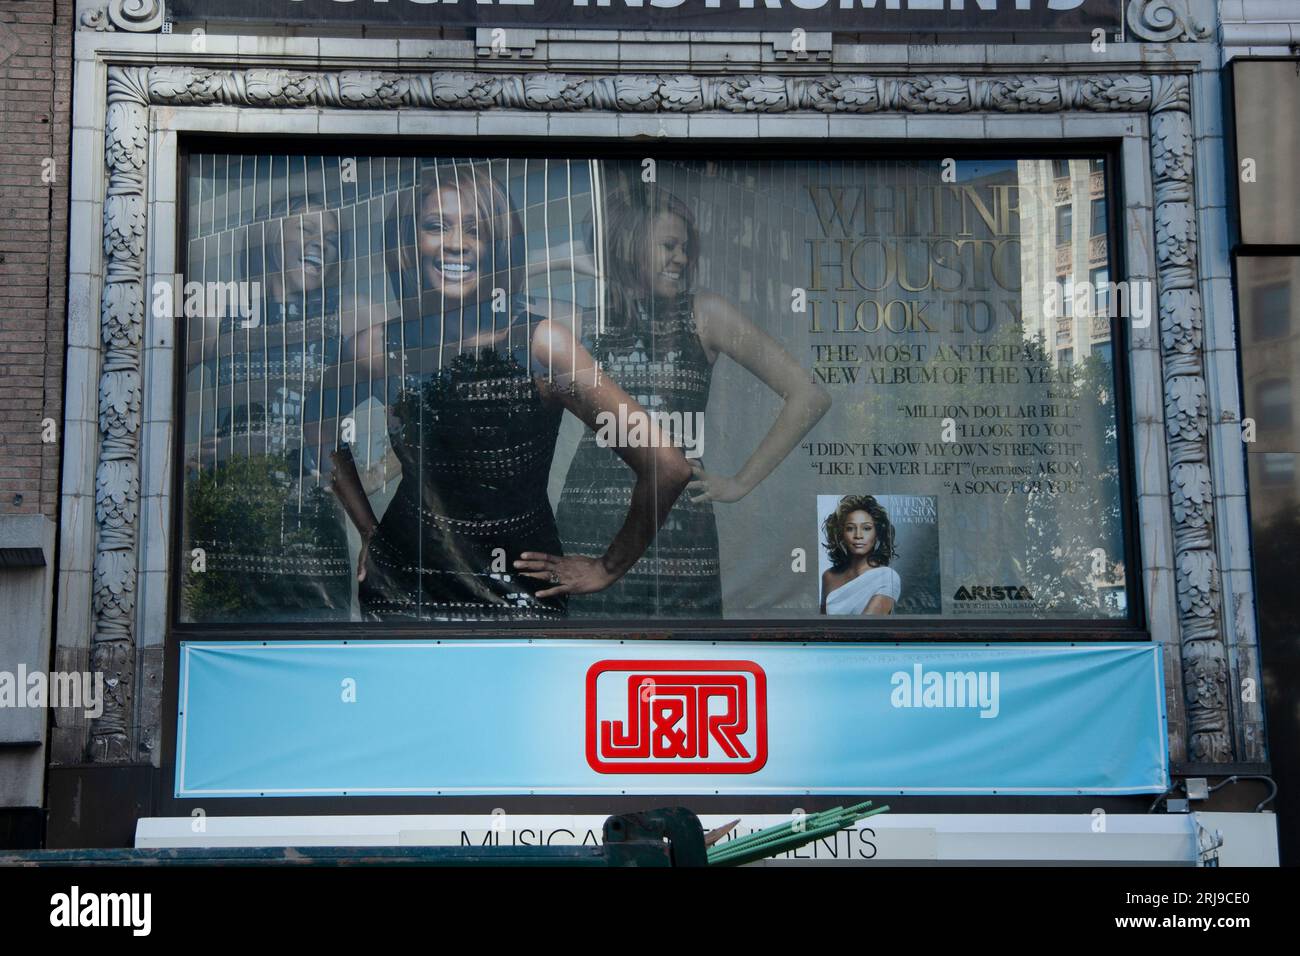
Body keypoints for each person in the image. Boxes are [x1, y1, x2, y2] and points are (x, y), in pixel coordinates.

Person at [334, 160, 691, 621]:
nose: (455, 243)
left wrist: (606, 567)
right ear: (409, 242)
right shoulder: (380, 346)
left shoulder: (544, 345)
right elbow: (317, 427)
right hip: (402, 591)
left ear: (498, 244)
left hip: (519, 600)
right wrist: (367, 530)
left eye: (475, 230)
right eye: (435, 226)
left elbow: (666, 468)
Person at [554, 185, 831, 617]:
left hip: (680, 537)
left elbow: (808, 396)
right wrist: (578, 260)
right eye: (669, 246)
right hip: (589, 534)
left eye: (685, 248)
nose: (681, 259)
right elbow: (500, 288)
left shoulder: (705, 314)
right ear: (627, 248)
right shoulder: (583, 320)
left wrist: (740, 483)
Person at [820, 495, 900, 616]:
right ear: (841, 535)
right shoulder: (828, 576)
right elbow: (822, 626)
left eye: (866, 528)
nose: (858, 535)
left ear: (877, 534)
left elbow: (866, 627)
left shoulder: (887, 577)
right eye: (850, 528)